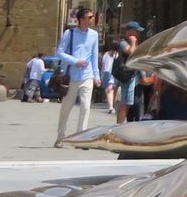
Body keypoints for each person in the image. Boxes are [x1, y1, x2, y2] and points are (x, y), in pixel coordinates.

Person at [53, 8, 102, 144]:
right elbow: (60, 52)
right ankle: (61, 137)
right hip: (70, 76)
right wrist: (75, 61)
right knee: (66, 108)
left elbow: (94, 56)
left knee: (86, 106)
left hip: (87, 75)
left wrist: (97, 76)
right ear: (81, 20)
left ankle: (81, 138)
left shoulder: (94, 35)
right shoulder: (69, 33)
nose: (93, 19)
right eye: (90, 17)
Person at [112, 23, 144, 122]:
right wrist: (133, 42)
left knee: (127, 102)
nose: (138, 33)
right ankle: (118, 126)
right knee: (125, 102)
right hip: (126, 75)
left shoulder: (128, 42)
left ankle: (119, 125)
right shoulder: (123, 42)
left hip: (129, 74)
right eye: (136, 31)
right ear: (130, 31)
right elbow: (132, 52)